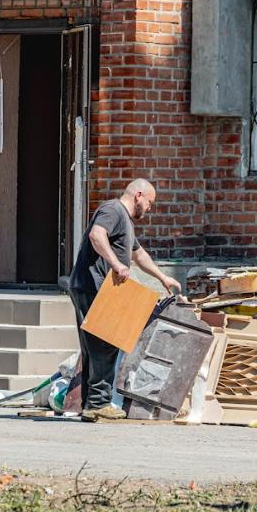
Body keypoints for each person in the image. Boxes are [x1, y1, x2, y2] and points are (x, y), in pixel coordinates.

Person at [69, 178, 181, 422]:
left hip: (96, 287)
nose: (150, 208)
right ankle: (98, 404)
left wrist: (163, 277)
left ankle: (92, 404)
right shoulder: (113, 210)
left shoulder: (126, 222)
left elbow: (139, 254)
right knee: (104, 343)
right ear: (138, 195)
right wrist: (116, 264)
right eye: (150, 202)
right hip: (95, 286)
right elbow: (97, 235)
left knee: (95, 347)